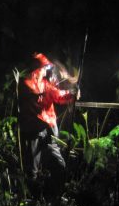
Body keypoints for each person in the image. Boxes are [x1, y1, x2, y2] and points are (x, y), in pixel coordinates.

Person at [19, 52, 80, 196]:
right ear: (37, 69)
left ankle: (54, 195)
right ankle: (32, 199)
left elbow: (58, 95)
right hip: (33, 130)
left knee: (59, 165)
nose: (47, 70)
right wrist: (49, 94)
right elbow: (35, 99)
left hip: (50, 129)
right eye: (44, 67)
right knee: (32, 169)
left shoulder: (45, 84)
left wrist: (71, 94)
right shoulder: (25, 84)